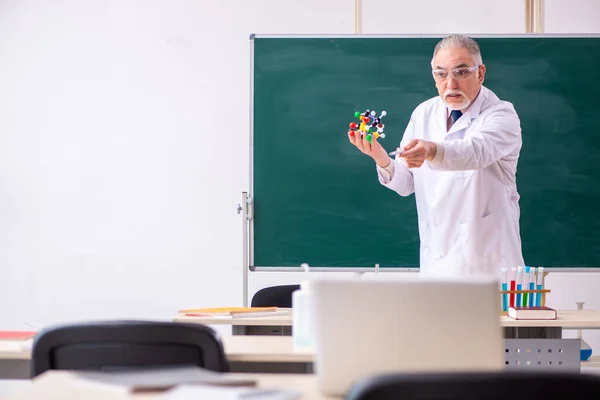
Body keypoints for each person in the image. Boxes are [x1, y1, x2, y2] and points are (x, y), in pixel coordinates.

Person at [348, 34, 524, 278]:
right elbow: (407, 183)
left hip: (489, 266)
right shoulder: (424, 113)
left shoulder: (501, 115)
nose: (450, 84)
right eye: (441, 74)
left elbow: (474, 152)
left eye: (460, 72)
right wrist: (382, 159)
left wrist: (431, 150)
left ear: (480, 73)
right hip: (437, 263)